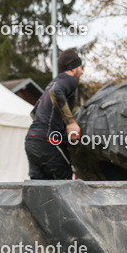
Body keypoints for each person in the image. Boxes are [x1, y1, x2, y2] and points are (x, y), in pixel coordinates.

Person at [25, 48, 83, 180]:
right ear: (73, 68)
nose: (82, 71)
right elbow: (56, 92)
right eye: (80, 67)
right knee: (65, 182)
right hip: (48, 141)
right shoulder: (70, 79)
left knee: (38, 187)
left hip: (31, 140)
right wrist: (71, 123)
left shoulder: (52, 83)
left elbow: (34, 112)